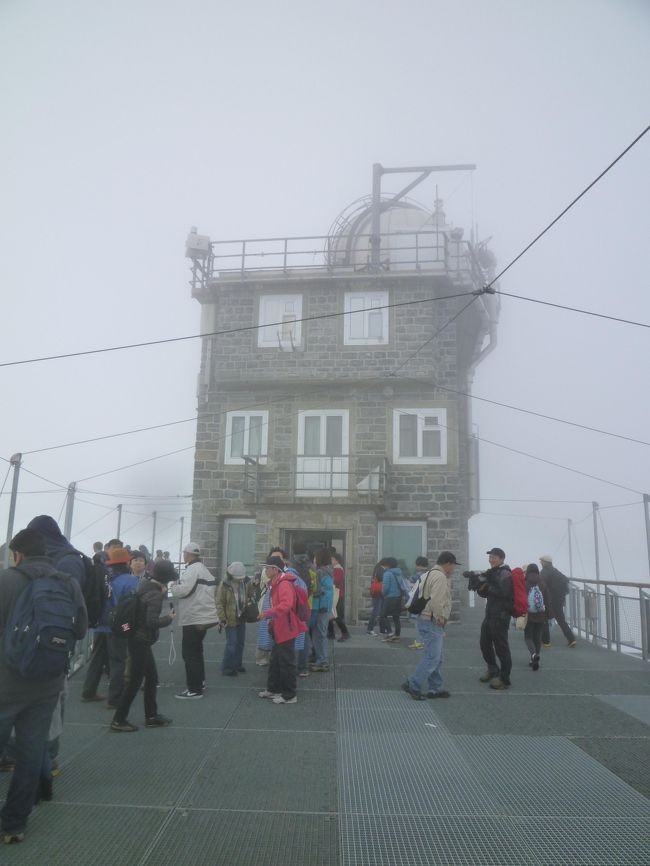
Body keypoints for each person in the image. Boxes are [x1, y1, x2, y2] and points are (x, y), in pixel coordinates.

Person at [0, 528, 87, 844]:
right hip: (48, 682)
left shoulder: (6, 581)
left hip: (6, 683)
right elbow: (80, 628)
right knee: (30, 751)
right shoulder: (67, 583)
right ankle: (14, 825)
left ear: (17, 554)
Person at [110, 560, 175, 731]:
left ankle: (151, 715)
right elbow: (151, 621)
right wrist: (169, 618)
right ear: (167, 579)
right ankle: (119, 719)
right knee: (135, 681)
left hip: (135, 637)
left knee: (151, 677)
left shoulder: (145, 584)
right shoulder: (155, 594)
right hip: (141, 640)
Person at [402, 551, 456, 700]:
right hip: (431, 620)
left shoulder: (429, 573)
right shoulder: (440, 577)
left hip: (424, 618)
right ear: (448, 564)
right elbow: (436, 601)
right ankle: (413, 684)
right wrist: (440, 617)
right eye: (453, 566)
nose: (454, 570)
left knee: (437, 657)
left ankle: (435, 688)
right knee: (433, 656)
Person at [170, 542, 218, 699]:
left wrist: (173, 586)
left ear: (188, 554)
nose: (183, 555)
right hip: (204, 616)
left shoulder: (191, 570)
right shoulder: (203, 569)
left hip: (193, 616)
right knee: (197, 652)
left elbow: (183, 591)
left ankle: (194, 689)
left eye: (184, 553)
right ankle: (200, 682)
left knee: (190, 654)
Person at [257, 556, 307, 704]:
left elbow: (286, 604)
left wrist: (267, 614)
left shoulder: (283, 584)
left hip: (285, 627)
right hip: (281, 626)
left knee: (286, 661)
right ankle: (274, 689)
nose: (265, 570)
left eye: (267, 567)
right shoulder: (277, 582)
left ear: (275, 569)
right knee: (276, 660)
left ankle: (289, 695)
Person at [105, 548, 138, 709]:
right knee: (122, 661)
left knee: (114, 661)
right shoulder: (131, 580)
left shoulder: (109, 580)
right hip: (125, 625)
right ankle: (116, 697)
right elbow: (135, 604)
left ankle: (113, 694)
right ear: (126, 563)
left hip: (107, 624)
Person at [478, 547, 514, 690]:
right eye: (490, 557)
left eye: (494, 557)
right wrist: (480, 587)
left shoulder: (505, 573)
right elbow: (490, 594)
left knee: (501, 648)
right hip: (490, 614)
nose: (491, 559)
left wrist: (488, 587)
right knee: (484, 643)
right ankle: (493, 670)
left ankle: (504, 679)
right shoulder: (494, 572)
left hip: (500, 616)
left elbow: (504, 592)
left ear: (501, 559)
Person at [216, 562, 249, 676]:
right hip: (229, 619)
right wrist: (222, 618)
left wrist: (255, 585)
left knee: (240, 643)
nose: (240, 580)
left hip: (242, 616)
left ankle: (237, 664)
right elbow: (219, 602)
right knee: (232, 643)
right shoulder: (224, 584)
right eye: (237, 578)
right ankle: (227, 668)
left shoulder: (245, 582)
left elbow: (250, 594)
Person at [539, 555, 576, 647]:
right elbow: (566, 580)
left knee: (544, 619)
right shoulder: (555, 571)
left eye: (541, 561)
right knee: (561, 620)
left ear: (545, 562)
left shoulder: (545, 571)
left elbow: (541, 583)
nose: (540, 563)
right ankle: (571, 639)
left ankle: (545, 641)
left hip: (549, 600)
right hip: (559, 599)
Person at [309, 548, 334, 672]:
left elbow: (317, 590)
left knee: (318, 635)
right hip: (326, 606)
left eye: (315, 558)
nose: (313, 560)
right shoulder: (329, 571)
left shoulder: (319, 572)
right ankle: (322, 660)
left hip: (319, 606)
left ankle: (322, 661)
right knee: (321, 634)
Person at [524, 563, 547, 671]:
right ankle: (536, 656)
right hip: (541, 615)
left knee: (528, 637)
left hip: (529, 615)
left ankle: (533, 655)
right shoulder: (542, 583)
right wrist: (551, 615)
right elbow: (548, 600)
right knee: (537, 638)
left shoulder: (525, 583)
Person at [327, 548, 350, 642]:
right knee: (331, 615)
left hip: (337, 595)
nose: (331, 561)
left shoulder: (338, 569)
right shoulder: (335, 569)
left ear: (336, 560)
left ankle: (345, 633)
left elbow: (337, 581)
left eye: (332, 559)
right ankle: (331, 633)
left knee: (336, 616)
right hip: (335, 594)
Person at [380, 557, 404, 643]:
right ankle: (397, 636)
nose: (384, 566)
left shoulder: (387, 573)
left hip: (389, 597)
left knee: (383, 615)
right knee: (396, 617)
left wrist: (383, 593)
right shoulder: (399, 573)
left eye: (385, 564)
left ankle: (390, 633)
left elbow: (385, 587)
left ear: (388, 565)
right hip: (398, 597)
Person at [408, 556, 429, 648]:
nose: (416, 567)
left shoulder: (415, 576)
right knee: (425, 623)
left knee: (418, 624)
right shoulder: (430, 574)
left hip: (417, 603)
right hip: (427, 602)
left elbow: (410, 589)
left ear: (419, 565)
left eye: (416, 565)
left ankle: (420, 642)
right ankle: (424, 641)